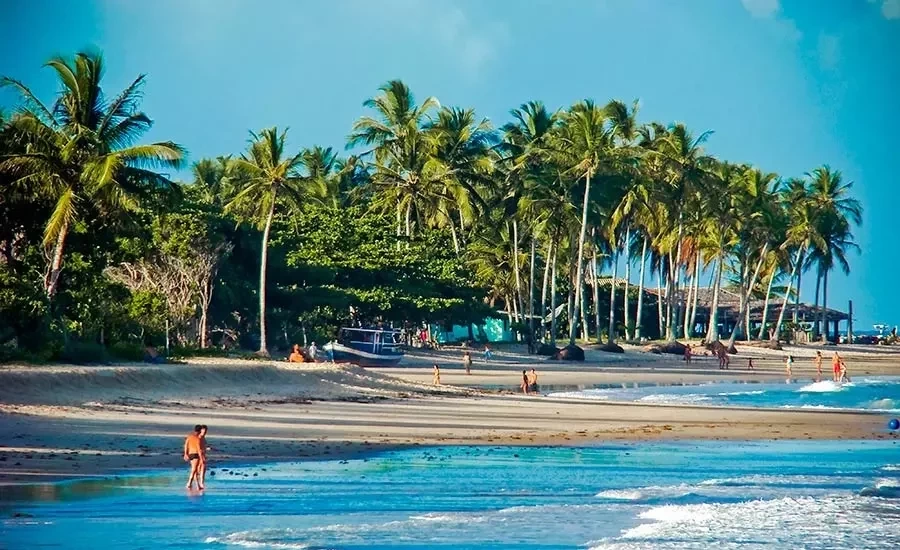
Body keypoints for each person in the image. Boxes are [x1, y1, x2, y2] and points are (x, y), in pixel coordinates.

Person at [183, 425, 205, 490]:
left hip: (190, 454)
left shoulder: (189, 437)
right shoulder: (197, 439)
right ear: (200, 431)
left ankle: (197, 485)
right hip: (195, 454)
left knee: (194, 470)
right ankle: (189, 483)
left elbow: (186, 445)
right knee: (194, 470)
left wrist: (185, 454)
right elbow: (198, 449)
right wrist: (201, 458)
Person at [198, 425, 210, 489]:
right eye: (203, 431)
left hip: (203, 454)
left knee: (202, 468)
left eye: (205, 431)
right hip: (199, 455)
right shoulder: (199, 437)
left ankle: (201, 482)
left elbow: (204, 445)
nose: (205, 432)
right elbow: (198, 448)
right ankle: (200, 483)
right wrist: (205, 449)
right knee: (200, 468)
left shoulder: (203, 438)